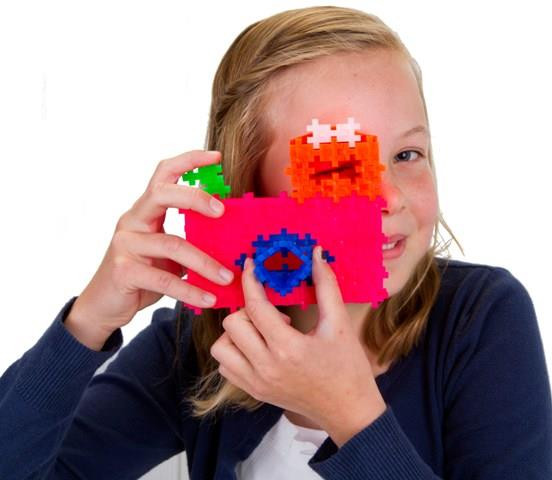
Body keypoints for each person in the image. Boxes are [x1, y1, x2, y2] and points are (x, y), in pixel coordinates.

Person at [1, 5, 551, 480]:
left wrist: (351, 415)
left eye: (407, 155)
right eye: (338, 168)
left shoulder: (480, 318)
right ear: (252, 190)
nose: (391, 198)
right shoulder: (195, 344)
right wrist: (88, 321)